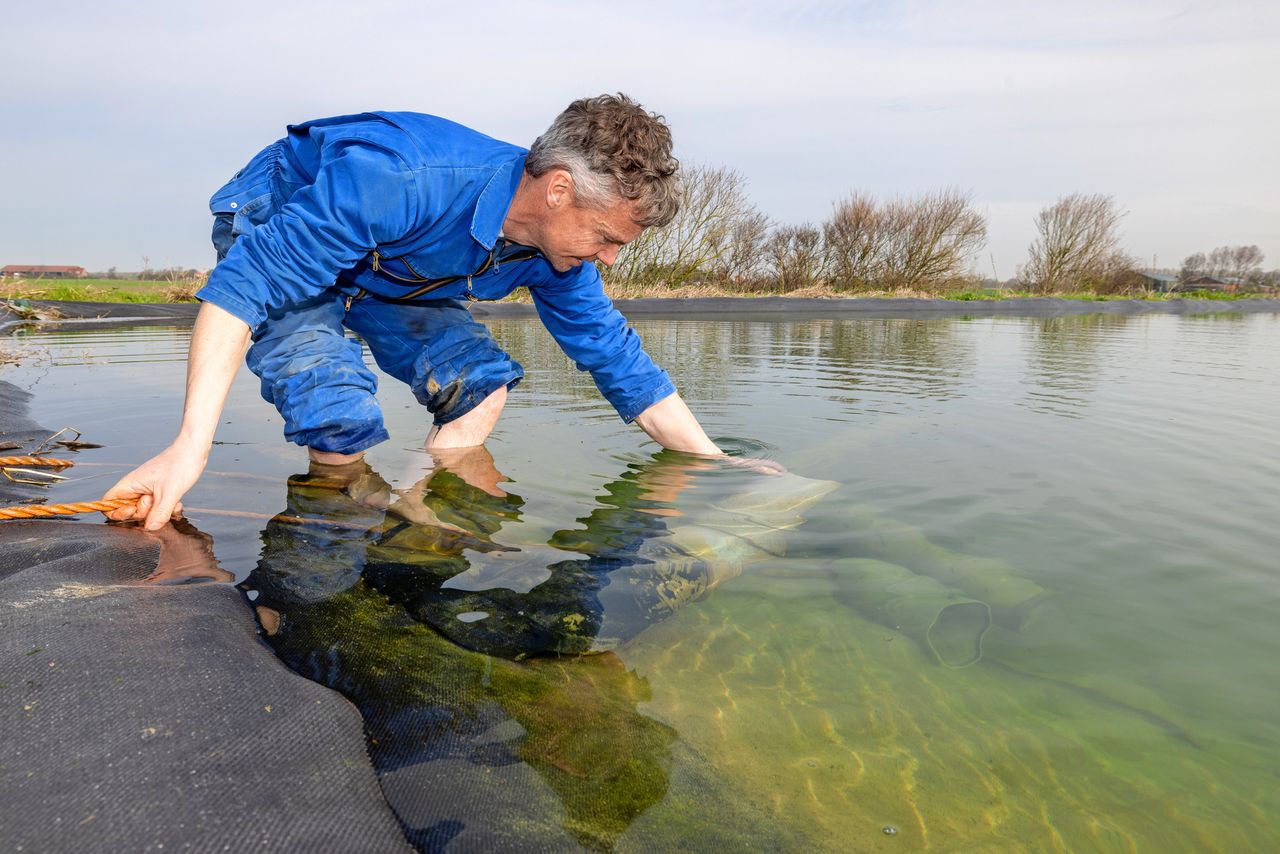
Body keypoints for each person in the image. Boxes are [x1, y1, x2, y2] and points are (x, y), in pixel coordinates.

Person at [103, 94, 730, 531]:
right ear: (558, 188)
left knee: (481, 387)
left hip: (395, 271)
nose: (612, 258)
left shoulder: (557, 254)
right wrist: (190, 447)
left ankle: (418, 522)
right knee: (337, 413)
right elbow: (241, 291)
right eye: (606, 236)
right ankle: (325, 556)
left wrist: (717, 466)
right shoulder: (403, 178)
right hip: (287, 210)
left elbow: (617, 359)